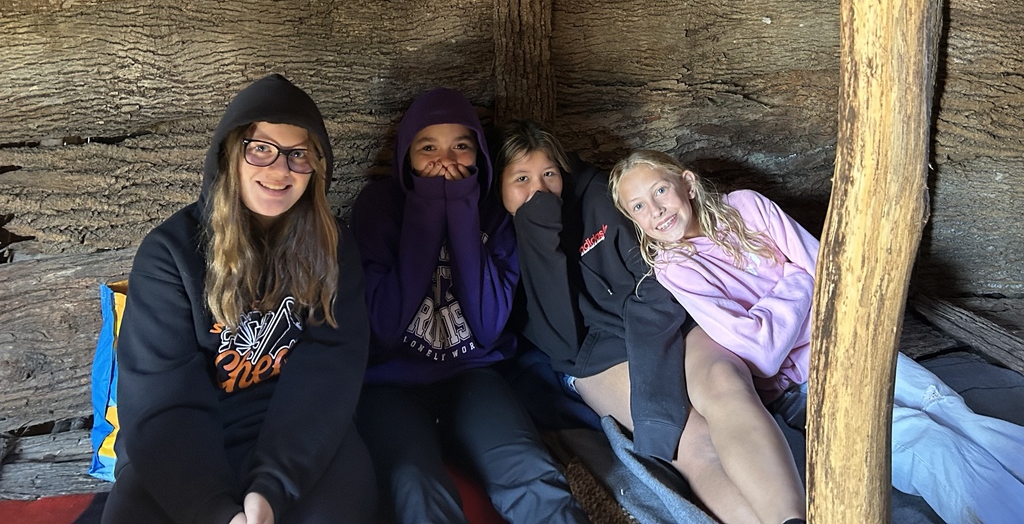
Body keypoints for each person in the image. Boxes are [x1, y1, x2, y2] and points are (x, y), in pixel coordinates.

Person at [610, 148, 1024, 524]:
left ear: (688, 183)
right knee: (922, 440)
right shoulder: (675, 268)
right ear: (635, 221)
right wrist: (796, 281)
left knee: (951, 410)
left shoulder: (747, 208)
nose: (657, 210)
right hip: (801, 387)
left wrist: (798, 292)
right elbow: (761, 351)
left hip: (849, 345)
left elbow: (831, 277)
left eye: (661, 190)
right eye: (640, 206)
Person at [495, 120, 805, 524]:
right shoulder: (499, 238)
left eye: (549, 174)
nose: (539, 189)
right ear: (498, 186)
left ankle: (790, 518)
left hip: (666, 320)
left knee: (726, 387)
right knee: (692, 442)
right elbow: (562, 342)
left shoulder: (597, 198)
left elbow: (655, 279)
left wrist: (654, 358)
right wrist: (539, 231)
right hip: (596, 357)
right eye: (521, 178)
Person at [101, 74, 377, 524]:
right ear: (231, 152)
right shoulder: (170, 252)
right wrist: (213, 510)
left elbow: (329, 372)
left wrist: (271, 488)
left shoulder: (333, 246)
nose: (280, 169)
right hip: (185, 442)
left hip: (296, 432)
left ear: (316, 167)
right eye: (261, 148)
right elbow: (163, 397)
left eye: (298, 154)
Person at [350, 90, 587, 524]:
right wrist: (425, 209)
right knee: (416, 486)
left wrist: (459, 209)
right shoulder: (378, 207)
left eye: (460, 145)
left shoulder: (494, 212)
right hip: (389, 383)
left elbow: (488, 326)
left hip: (475, 372)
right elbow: (383, 326)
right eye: (428, 148)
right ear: (406, 156)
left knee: (532, 475)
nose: (446, 160)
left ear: (478, 154)